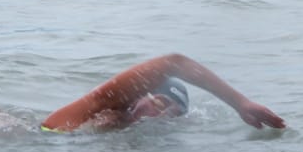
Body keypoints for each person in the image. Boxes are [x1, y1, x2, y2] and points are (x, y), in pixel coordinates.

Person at [40, 53, 285, 132]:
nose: (161, 115)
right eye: (159, 103)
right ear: (137, 97)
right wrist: (240, 103)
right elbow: (174, 63)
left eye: (173, 114)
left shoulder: (110, 136)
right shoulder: (90, 109)